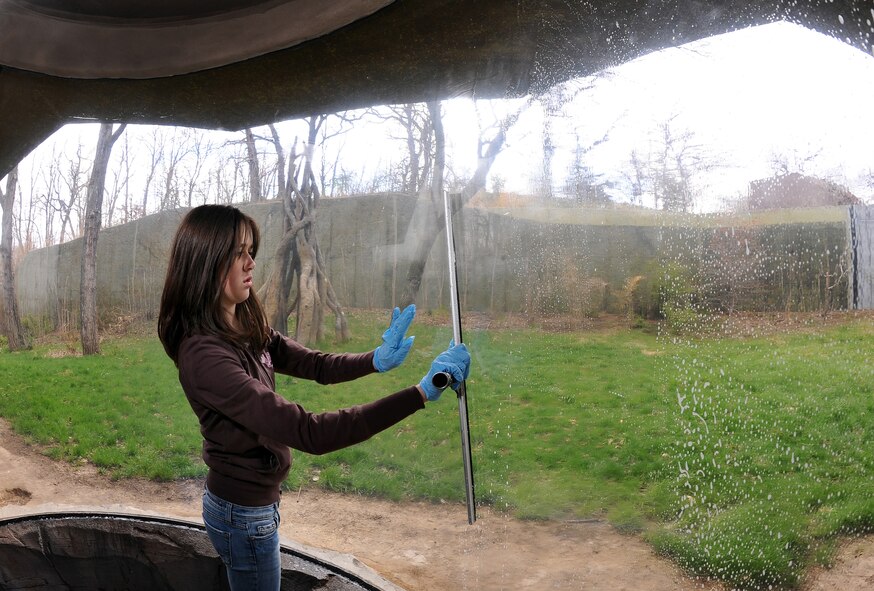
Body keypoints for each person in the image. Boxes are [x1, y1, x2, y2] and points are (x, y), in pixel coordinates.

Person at [157, 204, 470, 591]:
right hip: (242, 514)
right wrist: (419, 393)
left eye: (251, 250)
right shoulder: (204, 357)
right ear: (206, 261)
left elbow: (315, 365)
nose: (250, 262)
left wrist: (375, 359)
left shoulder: (242, 320)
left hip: (253, 506)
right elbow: (311, 433)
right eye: (238, 252)